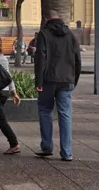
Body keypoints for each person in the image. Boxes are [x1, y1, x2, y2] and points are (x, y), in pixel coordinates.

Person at [34, 10, 81, 162]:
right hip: (66, 80)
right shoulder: (70, 35)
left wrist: (39, 82)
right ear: (59, 17)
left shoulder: (43, 34)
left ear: (46, 18)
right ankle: (67, 152)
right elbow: (77, 59)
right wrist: (74, 79)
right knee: (65, 114)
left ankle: (47, 147)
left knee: (45, 110)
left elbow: (40, 58)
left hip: (48, 80)